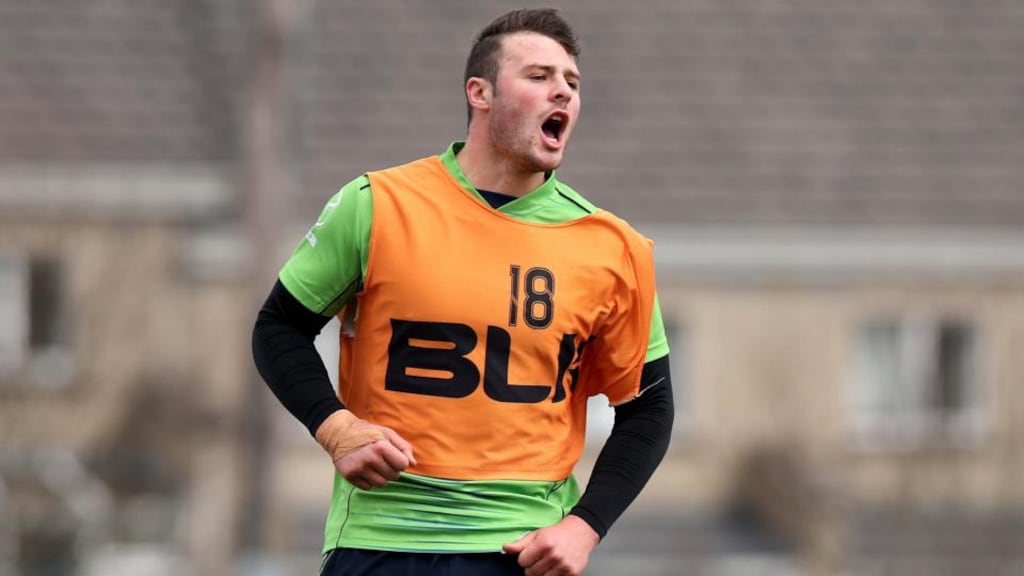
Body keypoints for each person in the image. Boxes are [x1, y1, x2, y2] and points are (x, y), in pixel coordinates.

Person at [252, 8, 674, 576]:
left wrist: (584, 525)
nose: (563, 92)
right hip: (378, 542)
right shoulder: (377, 205)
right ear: (481, 92)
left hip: (519, 551)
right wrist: (334, 427)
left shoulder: (613, 248)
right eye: (539, 76)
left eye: (572, 83)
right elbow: (279, 327)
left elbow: (649, 407)